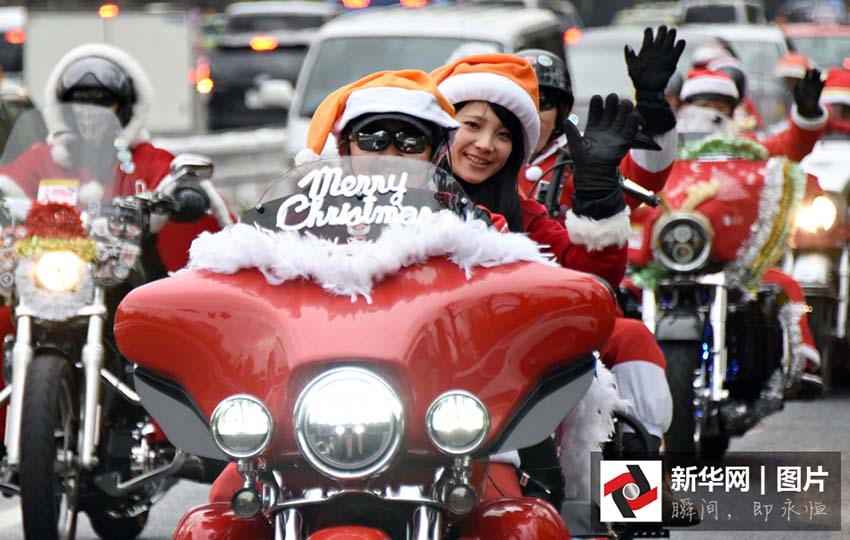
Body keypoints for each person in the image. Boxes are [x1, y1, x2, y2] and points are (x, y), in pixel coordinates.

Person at [430, 54, 678, 518]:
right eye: (472, 126)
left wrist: (598, 195)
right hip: (402, 369)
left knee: (627, 339)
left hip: (503, 369)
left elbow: (590, 280)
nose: (485, 145)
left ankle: (632, 505)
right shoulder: (385, 193)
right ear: (441, 125)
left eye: (503, 134)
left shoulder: (526, 211)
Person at [0, 44, 233, 457]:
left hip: (125, 278)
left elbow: (178, 185)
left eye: (103, 104)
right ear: (62, 108)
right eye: (79, 105)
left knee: (164, 319)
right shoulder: (43, 158)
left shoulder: (146, 159)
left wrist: (182, 195)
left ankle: (167, 431)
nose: (91, 115)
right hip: (50, 276)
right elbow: (8, 185)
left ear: (125, 108)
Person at [517, 26, 684, 219]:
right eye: (522, 101)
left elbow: (646, 177)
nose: (531, 112)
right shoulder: (484, 154)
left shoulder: (585, 157)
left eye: (543, 103)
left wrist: (653, 107)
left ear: (560, 113)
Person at [677, 66, 827, 162]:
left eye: (720, 108)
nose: (710, 114)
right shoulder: (670, 143)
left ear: (731, 112)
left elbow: (790, 148)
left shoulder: (743, 145)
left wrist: (808, 115)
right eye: (704, 106)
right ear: (685, 107)